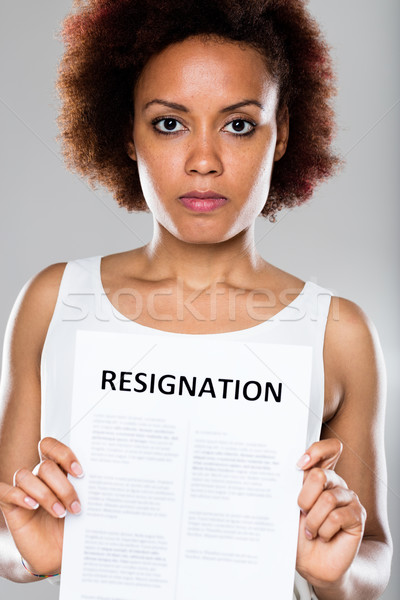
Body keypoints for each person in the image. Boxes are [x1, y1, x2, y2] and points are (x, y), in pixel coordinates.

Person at [0, 0, 393, 598]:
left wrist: (332, 571)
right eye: (168, 123)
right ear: (127, 133)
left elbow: (373, 560)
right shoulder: (55, 300)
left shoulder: (338, 330)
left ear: (281, 132)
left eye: (238, 124)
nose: (204, 161)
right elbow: (6, 535)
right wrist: (36, 555)